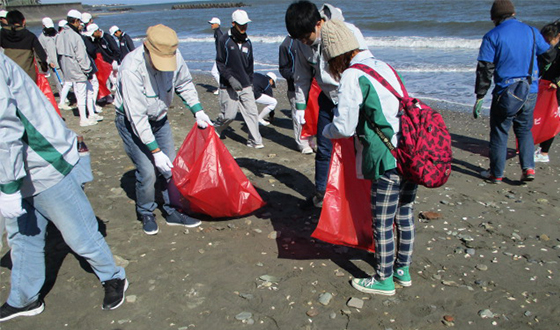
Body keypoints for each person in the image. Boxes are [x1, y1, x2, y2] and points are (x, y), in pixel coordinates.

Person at [0, 53, 128, 322]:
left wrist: (8, 186)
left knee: (79, 233)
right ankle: (24, 298)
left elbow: (5, 127)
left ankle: (114, 277)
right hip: (14, 168)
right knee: (22, 239)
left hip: (43, 162)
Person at [320, 19, 418, 296]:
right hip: (409, 152)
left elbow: (344, 126)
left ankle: (383, 279)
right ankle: (403, 269)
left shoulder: (353, 75)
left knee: (382, 221)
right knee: (405, 215)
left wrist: (325, 131)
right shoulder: (385, 66)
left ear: (337, 55)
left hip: (385, 158)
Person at [114, 24, 213, 235]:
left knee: (170, 169)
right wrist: (155, 152)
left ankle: (172, 210)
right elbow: (137, 117)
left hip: (159, 118)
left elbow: (184, 83)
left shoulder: (175, 55)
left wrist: (198, 110)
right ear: (146, 48)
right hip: (131, 122)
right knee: (148, 171)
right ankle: (146, 211)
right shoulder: (131, 67)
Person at [285, 1, 371, 207]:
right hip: (327, 99)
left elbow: (366, 66)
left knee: (359, 149)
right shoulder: (300, 43)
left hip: (351, 99)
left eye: (307, 37)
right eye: (299, 39)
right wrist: (299, 107)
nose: (304, 42)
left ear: (318, 24)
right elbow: (302, 76)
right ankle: (322, 194)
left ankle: (360, 196)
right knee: (324, 150)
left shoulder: (346, 32)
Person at [474, 0, 552, 183]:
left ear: (494, 17)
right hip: (529, 89)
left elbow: (485, 69)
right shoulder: (532, 31)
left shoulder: (492, 36)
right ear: (513, 14)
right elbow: (549, 54)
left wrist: (480, 95)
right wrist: (539, 71)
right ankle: (529, 169)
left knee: (500, 131)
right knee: (525, 130)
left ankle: (496, 173)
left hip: (505, 92)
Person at [214, 10, 263, 148]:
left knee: (252, 113)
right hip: (228, 84)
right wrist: (230, 79)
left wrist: (250, 82)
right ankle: (215, 128)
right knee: (229, 115)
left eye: (246, 24)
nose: (244, 28)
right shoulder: (224, 40)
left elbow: (250, 65)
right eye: (241, 25)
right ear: (233, 24)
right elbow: (220, 63)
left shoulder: (248, 43)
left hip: (246, 84)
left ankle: (254, 141)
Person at [57, 9, 99, 127]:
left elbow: (58, 53)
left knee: (82, 91)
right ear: (75, 21)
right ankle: (84, 119)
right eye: (79, 22)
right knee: (82, 94)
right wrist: (87, 69)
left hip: (67, 68)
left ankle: (89, 115)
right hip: (77, 69)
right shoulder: (75, 36)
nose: (81, 24)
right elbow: (81, 55)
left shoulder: (61, 34)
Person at [279, 35, 314, 154]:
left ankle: (310, 140)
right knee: (298, 115)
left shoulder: (306, 40)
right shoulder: (285, 45)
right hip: (294, 88)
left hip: (311, 86)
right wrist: (296, 77)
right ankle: (302, 143)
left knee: (311, 115)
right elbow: (283, 69)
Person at [534, 22, 560, 163]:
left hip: (556, 90)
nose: (547, 43)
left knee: (551, 120)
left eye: (549, 40)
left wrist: (556, 82)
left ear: (558, 37)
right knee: (542, 117)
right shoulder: (548, 51)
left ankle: (544, 153)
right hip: (545, 87)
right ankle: (540, 148)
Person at [0, 10, 48, 83]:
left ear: (7, 21)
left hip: (9, 75)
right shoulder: (30, 36)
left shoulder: (2, 34)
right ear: (23, 21)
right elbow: (42, 57)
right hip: (27, 76)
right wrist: (44, 68)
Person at [208, 17, 223, 94]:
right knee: (218, 72)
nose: (211, 25)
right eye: (211, 24)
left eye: (213, 24)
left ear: (217, 24)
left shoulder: (218, 33)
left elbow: (221, 46)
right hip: (220, 56)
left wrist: (220, 57)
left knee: (214, 72)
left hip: (220, 57)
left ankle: (221, 88)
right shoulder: (217, 32)